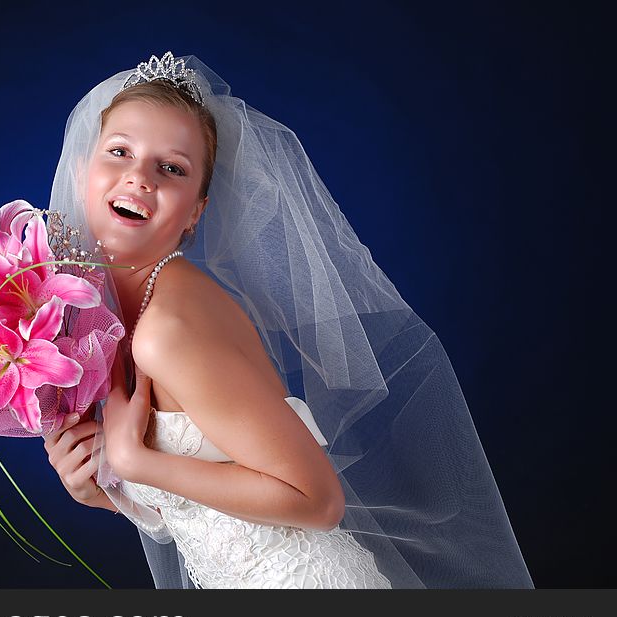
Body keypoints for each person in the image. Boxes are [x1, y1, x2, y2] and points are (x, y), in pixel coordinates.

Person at [43, 51, 534, 589]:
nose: (139, 178)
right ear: (80, 169)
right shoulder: (118, 316)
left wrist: (137, 464)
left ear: (194, 214)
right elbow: (214, 515)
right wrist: (112, 495)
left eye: (172, 168)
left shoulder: (168, 329)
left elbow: (316, 500)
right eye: (119, 152)